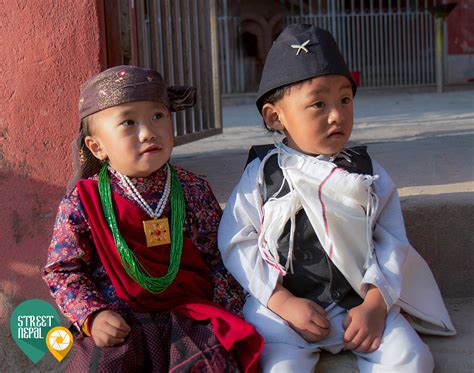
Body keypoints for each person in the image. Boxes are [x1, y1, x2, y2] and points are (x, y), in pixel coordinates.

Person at [218, 24, 455, 372]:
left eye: (345, 99)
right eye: (318, 103)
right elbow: (237, 241)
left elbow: (391, 242)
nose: (336, 114)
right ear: (275, 116)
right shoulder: (262, 175)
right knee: (278, 366)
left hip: (358, 304)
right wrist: (280, 300)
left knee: (413, 359)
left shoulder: (366, 173)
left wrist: (376, 303)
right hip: (288, 310)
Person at [43, 65, 263, 372]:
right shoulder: (83, 201)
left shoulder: (192, 190)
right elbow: (63, 269)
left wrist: (227, 313)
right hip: (119, 318)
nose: (148, 132)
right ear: (97, 147)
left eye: (158, 116)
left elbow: (220, 259)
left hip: (187, 316)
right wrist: (92, 315)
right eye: (128, 122)